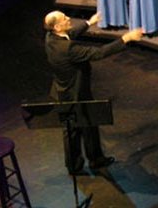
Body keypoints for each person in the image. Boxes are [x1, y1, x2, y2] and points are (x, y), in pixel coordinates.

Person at [44, 10, 143, 173]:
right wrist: (127, 38)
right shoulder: (68, 49)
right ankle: (92, 160)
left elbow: (70, 34)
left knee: (77, 128)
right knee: (84, 125)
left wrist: (89, 22)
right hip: (76, 92)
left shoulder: (50, 38)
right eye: (64, 18)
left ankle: (78, 163)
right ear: (57, 26)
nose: (68, 18)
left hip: (62, 91)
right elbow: (98, 53)